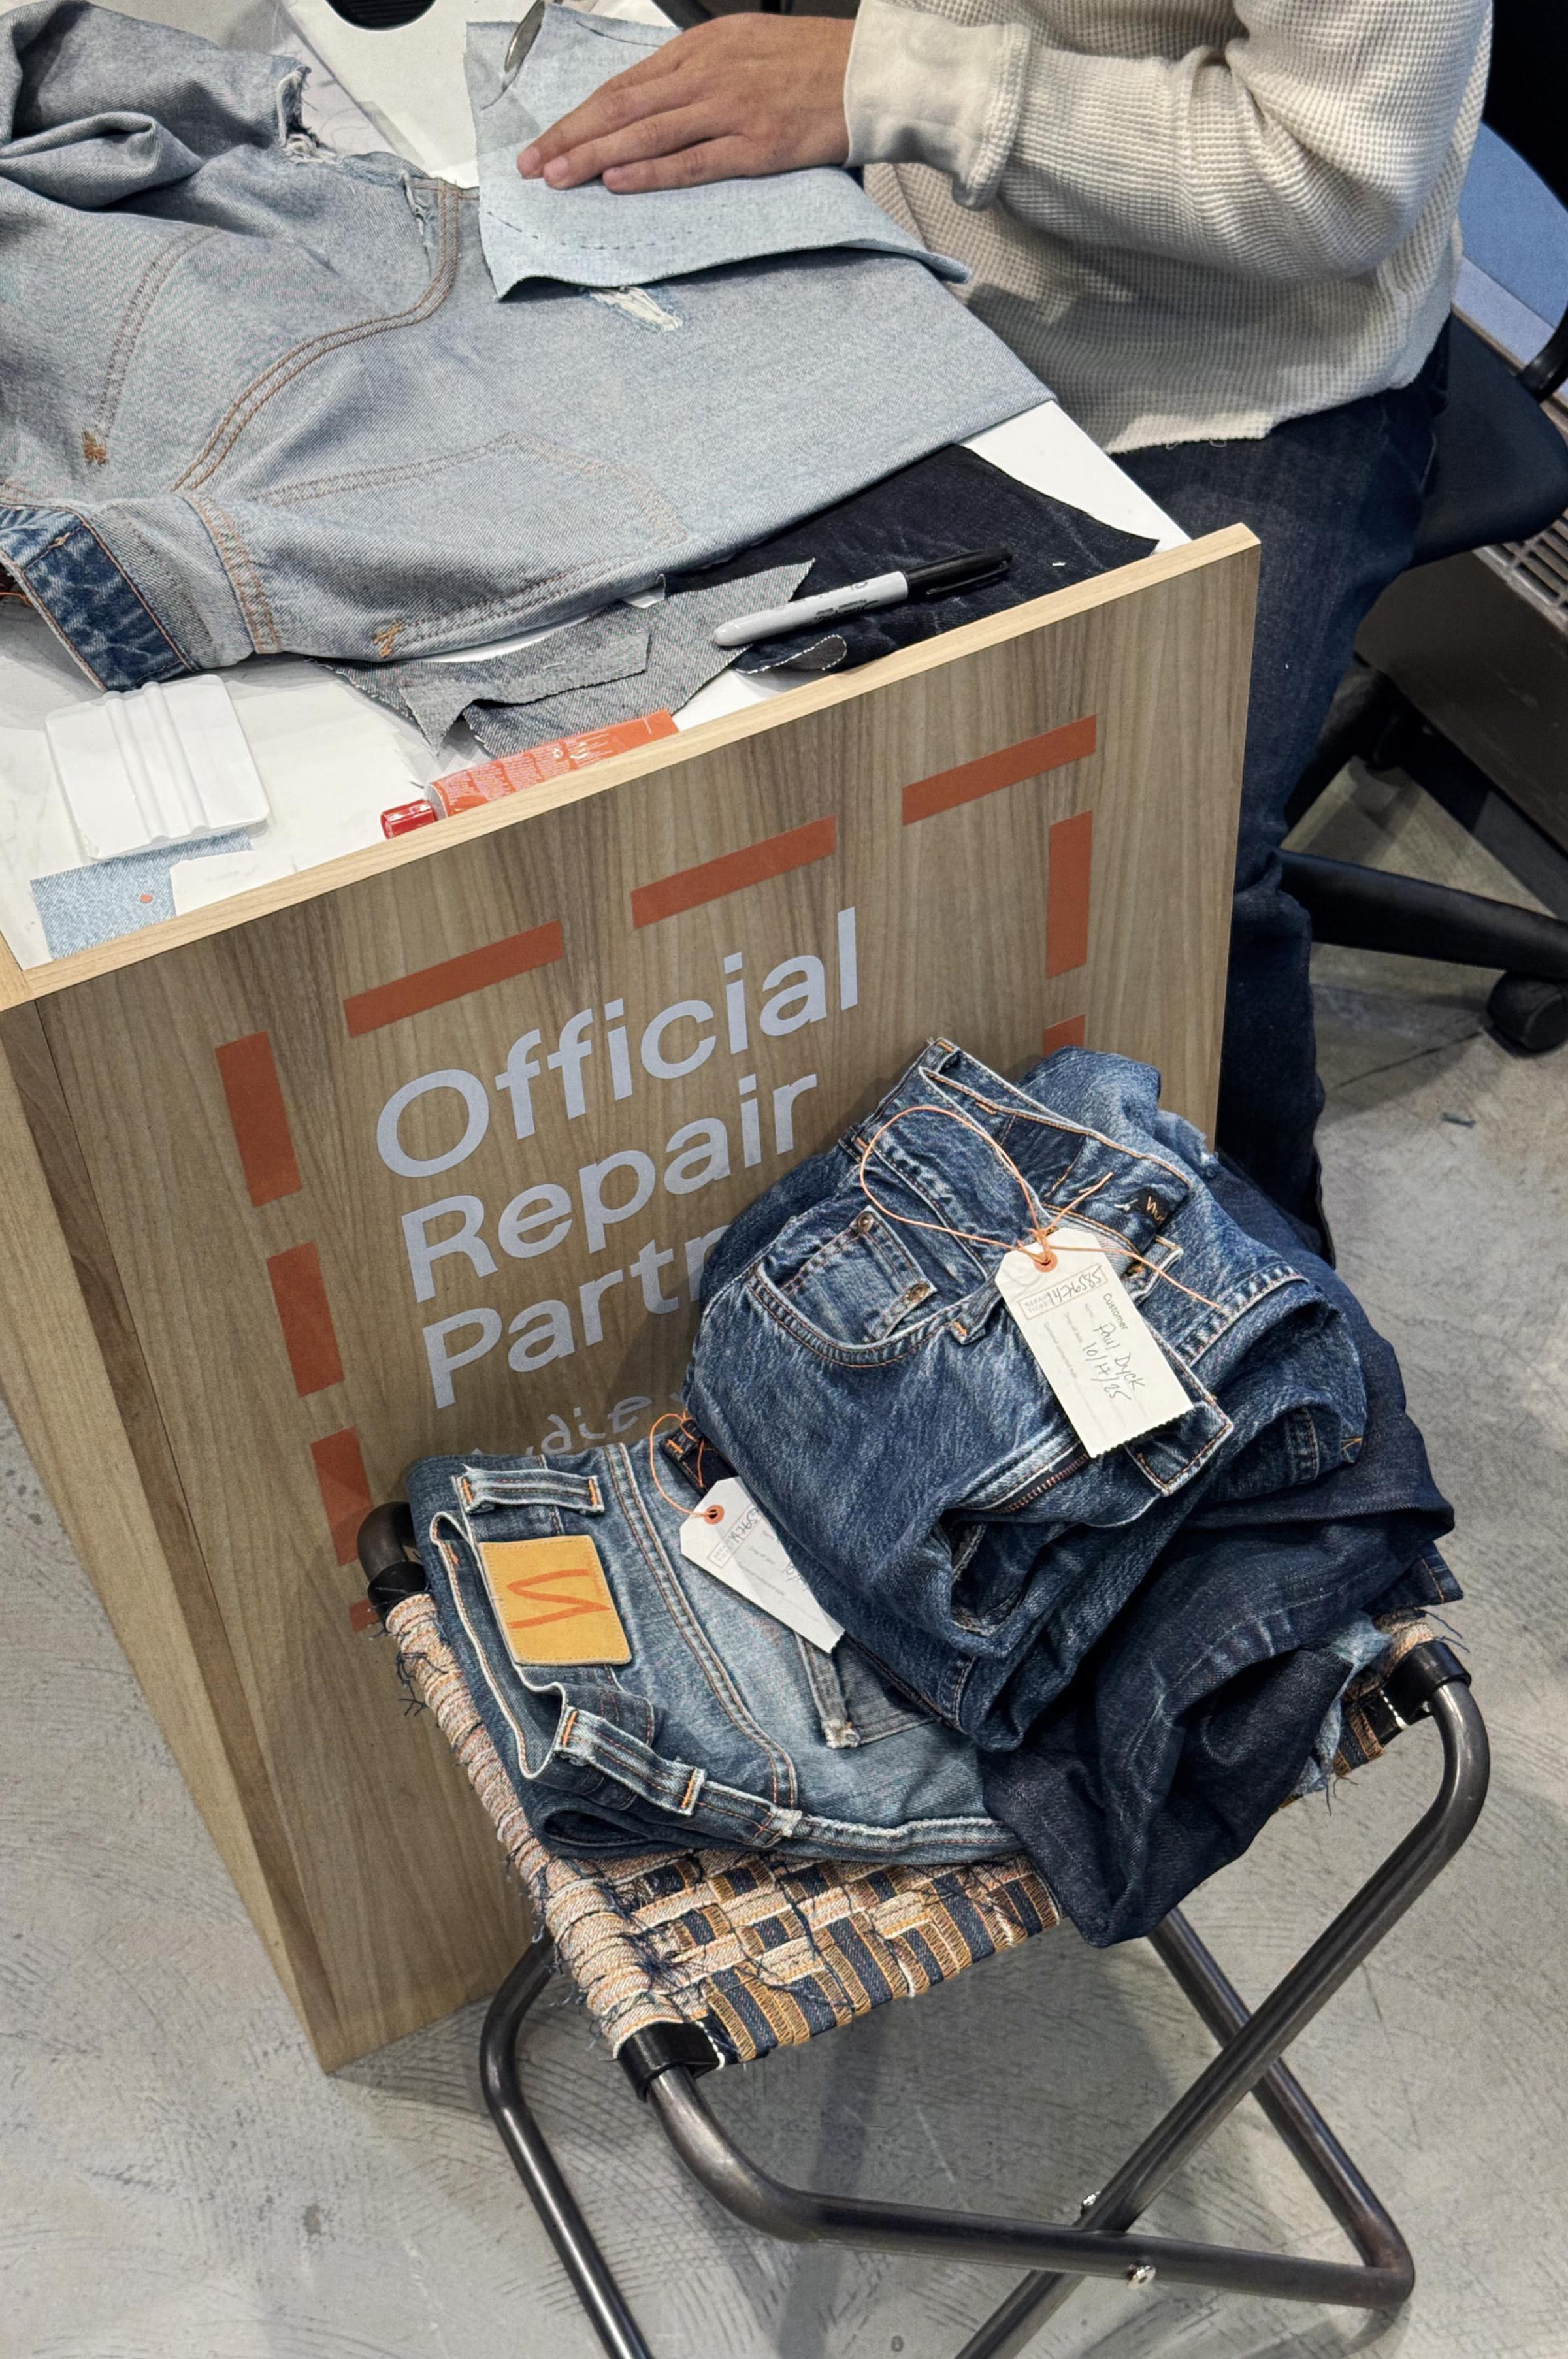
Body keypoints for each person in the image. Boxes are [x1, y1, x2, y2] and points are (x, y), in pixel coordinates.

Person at [517, 1, 1492, 1249]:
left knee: (1164, 842)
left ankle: (1264, 1300)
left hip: (1245, 366)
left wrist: (897, 81)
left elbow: (1332, 174)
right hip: (915, 251)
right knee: (763, 766)